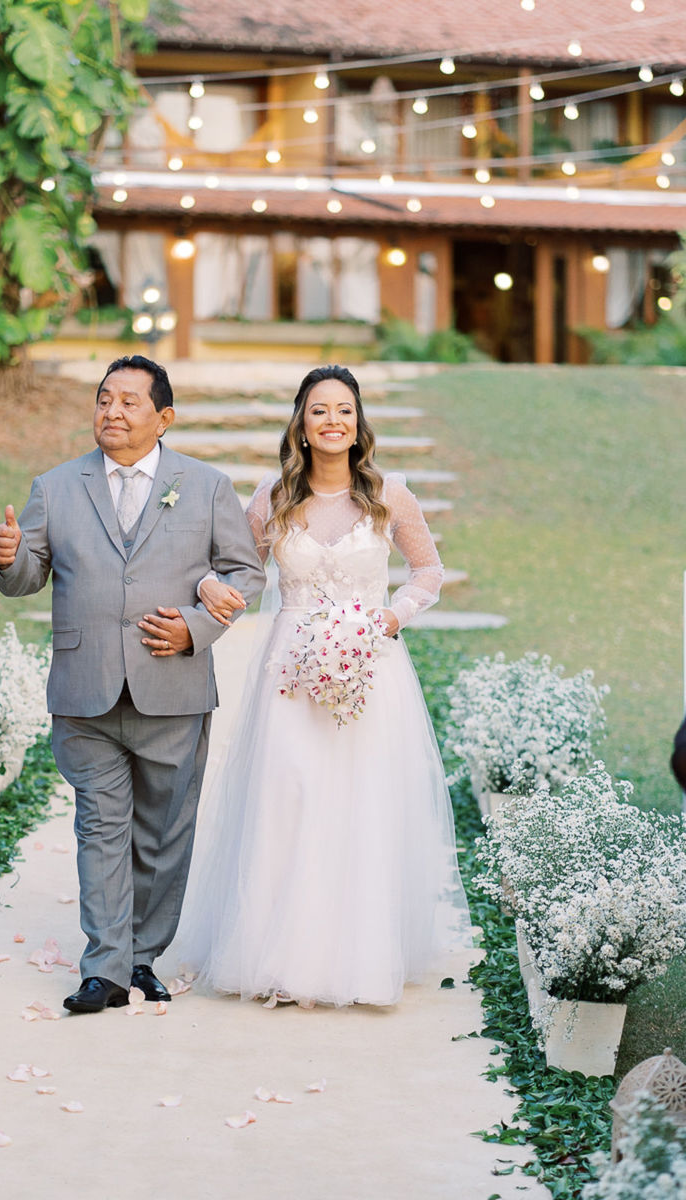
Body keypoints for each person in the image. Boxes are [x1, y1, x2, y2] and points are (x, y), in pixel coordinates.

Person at [175, 365, 471, 1008]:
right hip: (288, 669)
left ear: (358, 423)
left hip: (370, 665)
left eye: (344, 410)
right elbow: (227, 565)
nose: (332, 420)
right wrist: (207, 588)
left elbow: (427, 570)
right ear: (302, 425)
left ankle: (357, 960)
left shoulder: (391, 494)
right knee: (290, 794)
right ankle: (278, 956)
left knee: (360, 800)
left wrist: (391, 617)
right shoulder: (272, 496)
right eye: (319, 410)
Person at [0, 355, 266, 1014]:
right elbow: (28, 575)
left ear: (164, 417)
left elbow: (244, 573)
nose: (111, 412)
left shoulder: (203, 486)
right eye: (103, 399)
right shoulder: (55, 487)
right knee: (100, 827)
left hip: (173, 684)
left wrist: (196, 629)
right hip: (85, 690)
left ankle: (143, 954)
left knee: (164, 833)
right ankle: (105, 968)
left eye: (129, 402)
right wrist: (8, 558)